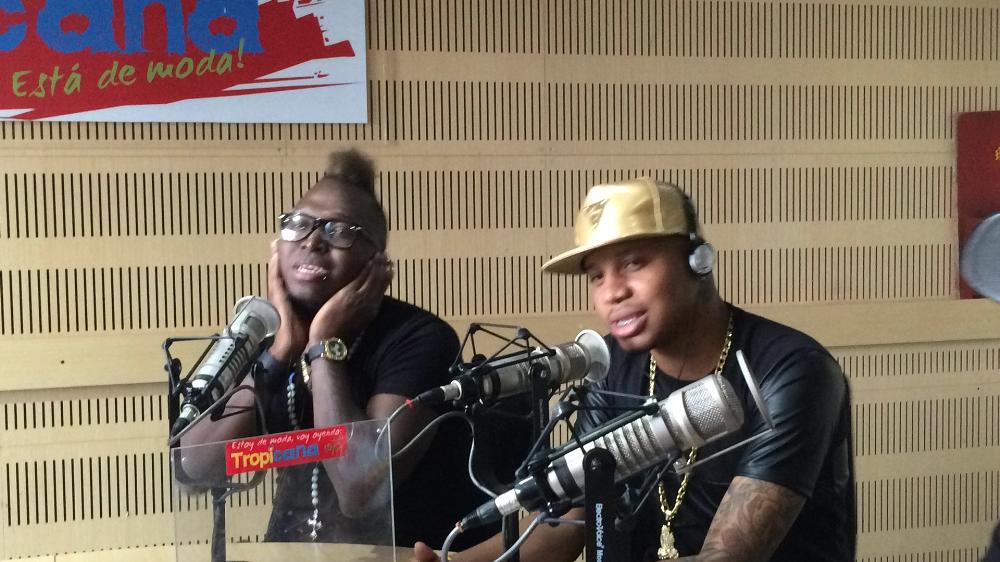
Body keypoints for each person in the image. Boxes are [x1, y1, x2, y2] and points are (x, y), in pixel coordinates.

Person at [414, 177, 855, 561]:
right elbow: (571, 522)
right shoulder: (610, 366)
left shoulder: (791, 370)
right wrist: (455, 560)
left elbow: (727, 555)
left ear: (698, 260)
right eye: (596, 276)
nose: (613, 292)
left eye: (633, 263)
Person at [179, 148, 499, 550]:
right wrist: (281, 351)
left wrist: (322, 343)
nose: (313, 240)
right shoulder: (264, 335)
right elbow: (193, 466)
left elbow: (360, 489)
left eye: (339, 230)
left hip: (398, 556)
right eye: (298, 224)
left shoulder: (421, 339)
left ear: (375, 261)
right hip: (290, 554)